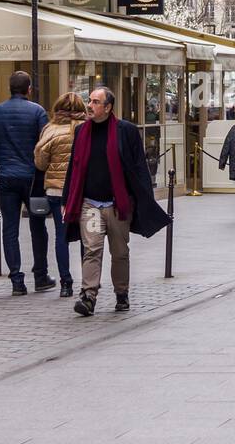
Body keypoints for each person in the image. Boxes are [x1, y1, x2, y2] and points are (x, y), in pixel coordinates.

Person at [62, 87, 169, 317]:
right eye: (89, 100)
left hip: (118, 205)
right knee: (91, 249)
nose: (89, 105)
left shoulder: (126, 131)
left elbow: (139, 167)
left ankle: (122, 293)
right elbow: (74, 168)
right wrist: (66, 199)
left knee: (119, 252)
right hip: (90, 204)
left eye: (95, 102)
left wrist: (143, 200)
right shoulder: (81, 132)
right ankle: (88, 296)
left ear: (108, 107)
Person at [0, 70, 50, 296]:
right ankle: (40, 275)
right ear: (29, 89)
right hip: (32, 178)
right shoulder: (37, 111)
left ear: (10, 88)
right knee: (38, 225)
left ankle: (17, 280)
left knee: (10, 228)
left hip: (7, 177)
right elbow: (45, 144)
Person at [33, 92, 87, 297]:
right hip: (83, 191)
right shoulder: (87, 129)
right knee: (86, 238)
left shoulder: (50, 130)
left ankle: (66, 283)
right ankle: (87, 283)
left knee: (61, 236)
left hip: (57, 192)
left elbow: (40, 162)